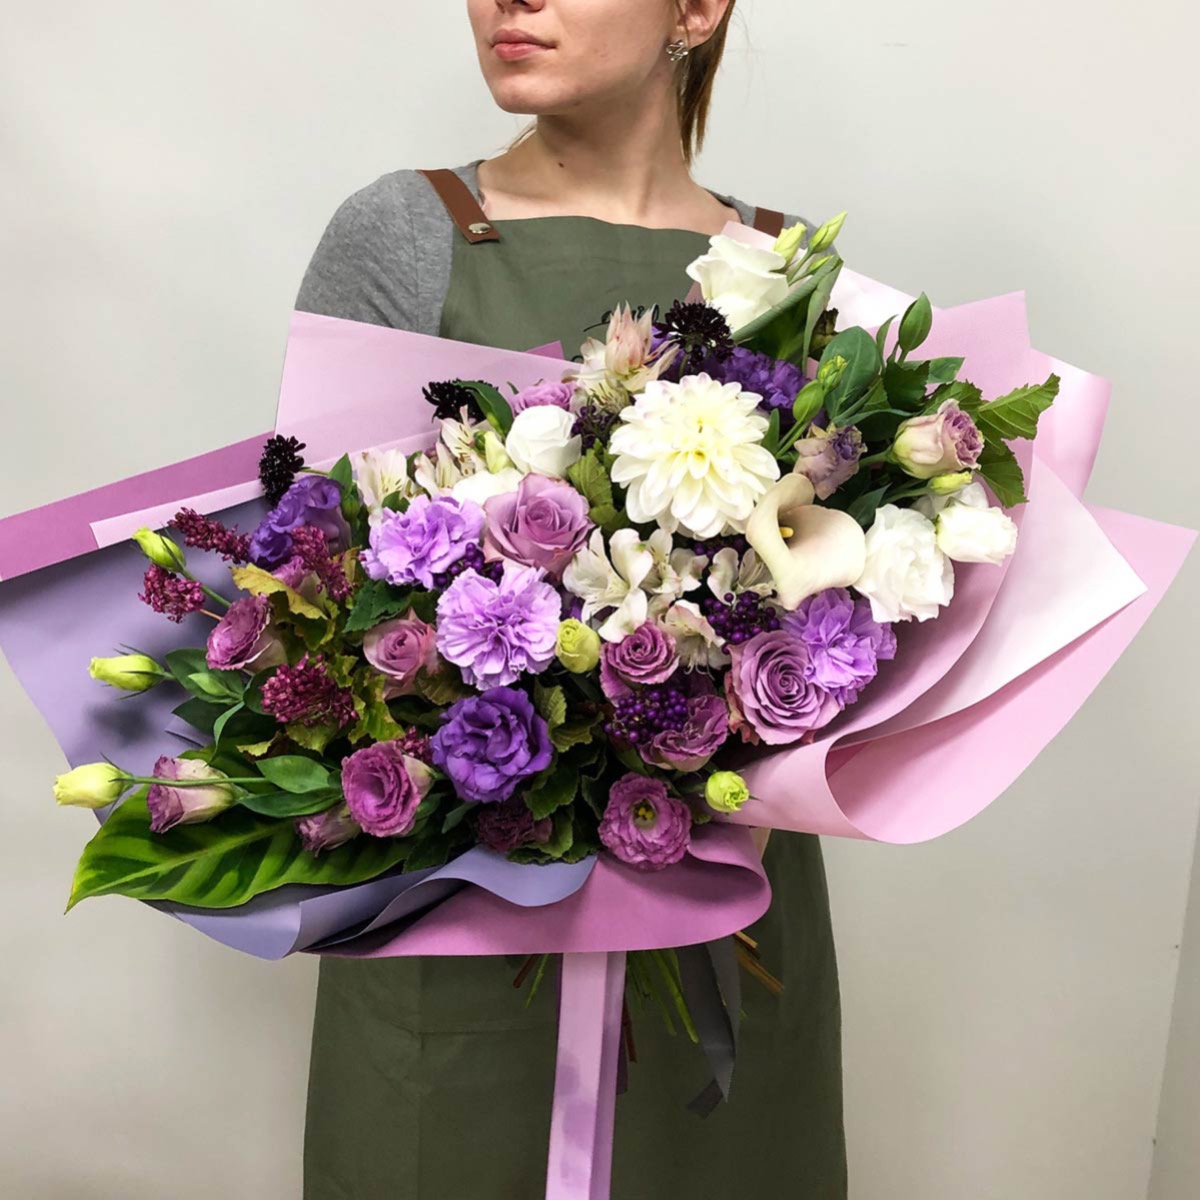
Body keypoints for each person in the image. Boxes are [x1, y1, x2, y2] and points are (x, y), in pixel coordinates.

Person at [294, 2, 847, 1196]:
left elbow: (852, 615)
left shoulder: (789, 273)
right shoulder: (406, 233)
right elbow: (317, 596)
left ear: (695, 10)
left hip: (721, 904)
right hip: (463, 906)